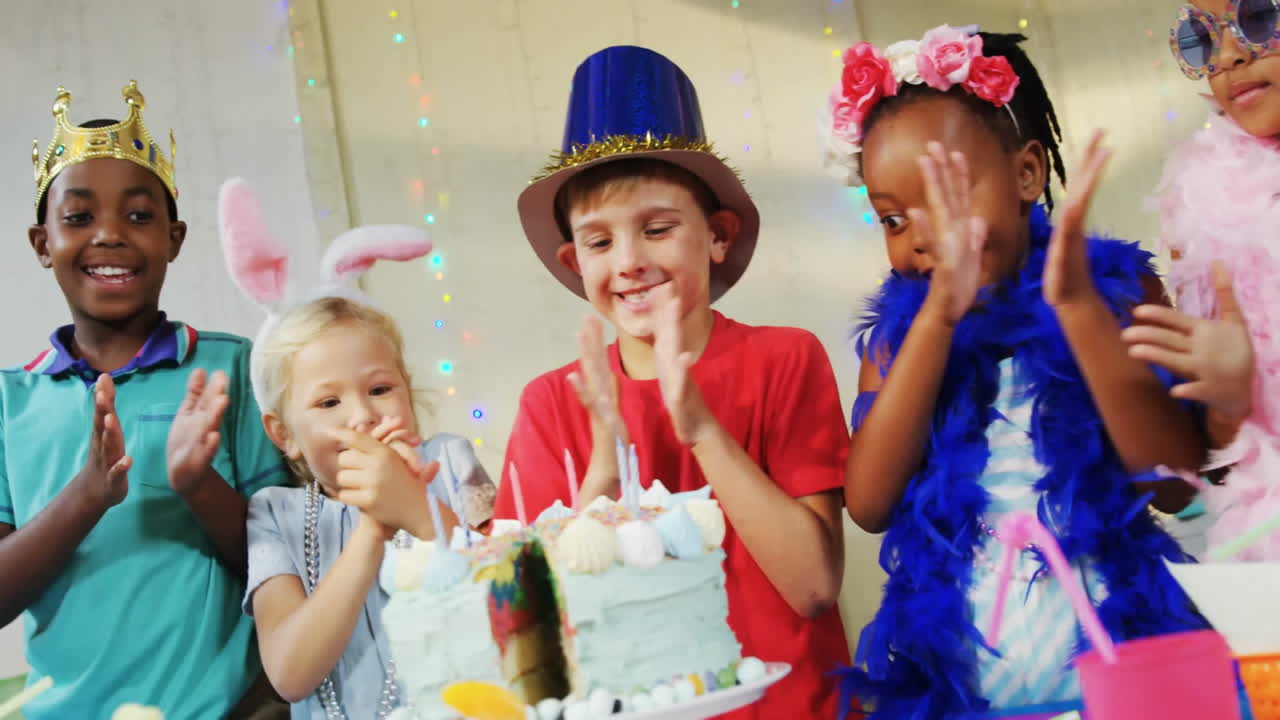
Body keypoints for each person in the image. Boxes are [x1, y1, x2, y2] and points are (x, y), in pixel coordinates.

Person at [823, 28, 1207, 717]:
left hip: (1128, 678)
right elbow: (870, 504)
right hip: (971, 693)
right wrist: (935, 322)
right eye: (893, 218)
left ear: (1027, 174)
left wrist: (1083, 316)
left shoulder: (1117, 295)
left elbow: (1176, 486)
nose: (922, 238)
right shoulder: (896, 345)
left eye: (947, 198)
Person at [497, 45, 851, 718]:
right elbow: (534, 631)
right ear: (574, 261)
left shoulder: (785, 358)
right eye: (600, 242)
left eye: (657, 229)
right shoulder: (550, 403)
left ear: (717, 235)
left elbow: (812, 587)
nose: (629, 262)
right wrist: (604, 468)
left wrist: (703, 431)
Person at [0, 82, 289, 717]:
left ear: (174, 238)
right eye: (79, 218)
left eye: (137, 216)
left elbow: (292, 563)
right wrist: (87, 495)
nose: (110, 235)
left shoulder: (233, 368)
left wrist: (198, 484)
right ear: (42, 243)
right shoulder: (8, 401)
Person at [220, 178, 490, 718]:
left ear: (407, 390)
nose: (363, 415)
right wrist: (372, 529)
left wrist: (415, 509)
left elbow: (513, 596)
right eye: (328, 402)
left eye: (380, 389)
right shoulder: (274, 515)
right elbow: (289, 674)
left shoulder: (450, 462)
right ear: (283, 434)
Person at [1122, 0, 1280, 561]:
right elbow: (1226, 462)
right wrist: (1228, 404)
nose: (1229, 56)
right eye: (1202, 39)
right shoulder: (1203, 212)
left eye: (1258, 19)